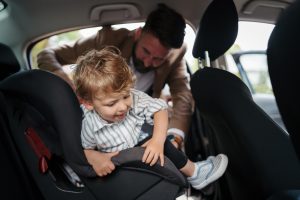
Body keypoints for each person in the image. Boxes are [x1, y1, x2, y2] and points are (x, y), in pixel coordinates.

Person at [37, 3, 193, 150]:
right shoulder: (108, 40)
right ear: (138, 34)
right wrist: (67, 84)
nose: (147, 63)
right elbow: (47, 54)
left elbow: (182, 96)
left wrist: (176, 137)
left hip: (141, 121)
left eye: (158, 59)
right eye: (146, 51)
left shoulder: (175, 55)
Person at [73, 47, 228, 190]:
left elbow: (159, 109)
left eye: (125, 96)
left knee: (158, 138)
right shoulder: (89, 123)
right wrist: (95, 157)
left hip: (137, 151)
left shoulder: (134, 97)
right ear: (88, 103)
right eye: (112, 103)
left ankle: (194, 173)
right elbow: (85, 149)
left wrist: (157, 141)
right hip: (118, 167)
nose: (122, 107)